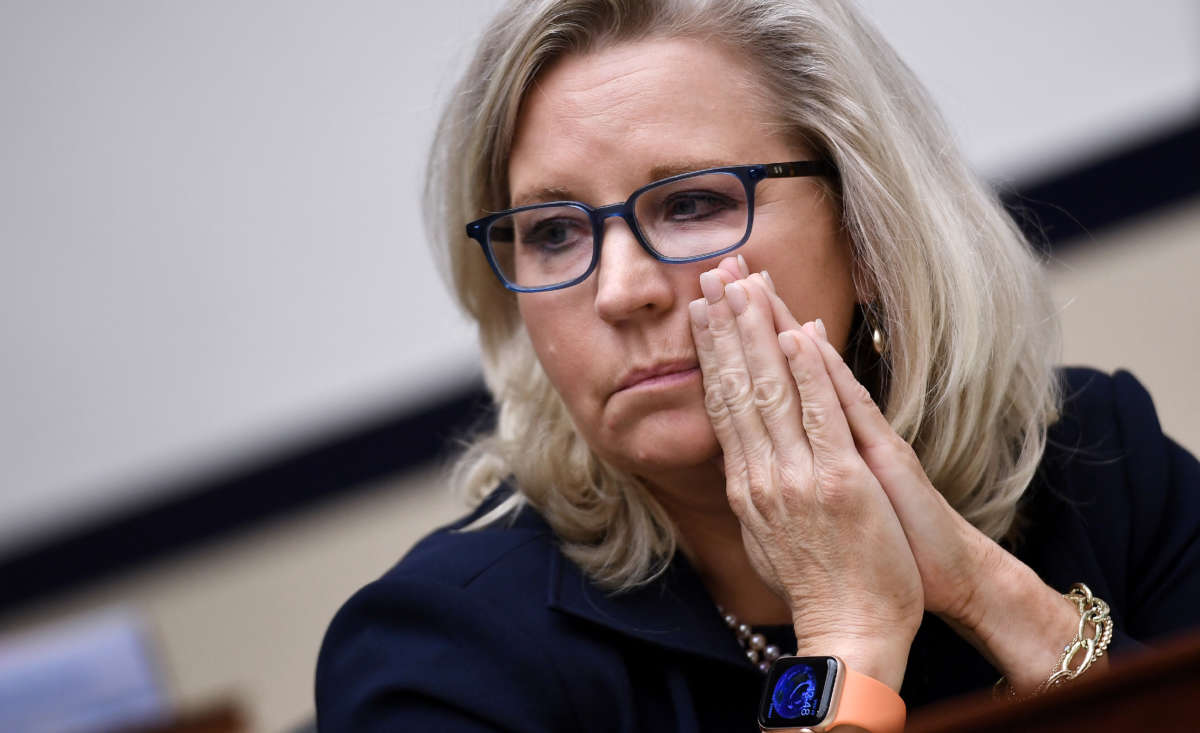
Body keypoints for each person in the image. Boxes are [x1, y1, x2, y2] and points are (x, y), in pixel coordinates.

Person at [315, 1, 1200, 730]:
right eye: (554, 232)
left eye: (692, 203)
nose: (622, 291)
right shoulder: (439, 651)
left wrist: (995, 597)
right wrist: (847, 638)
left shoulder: (1099, 461)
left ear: (865, 225)